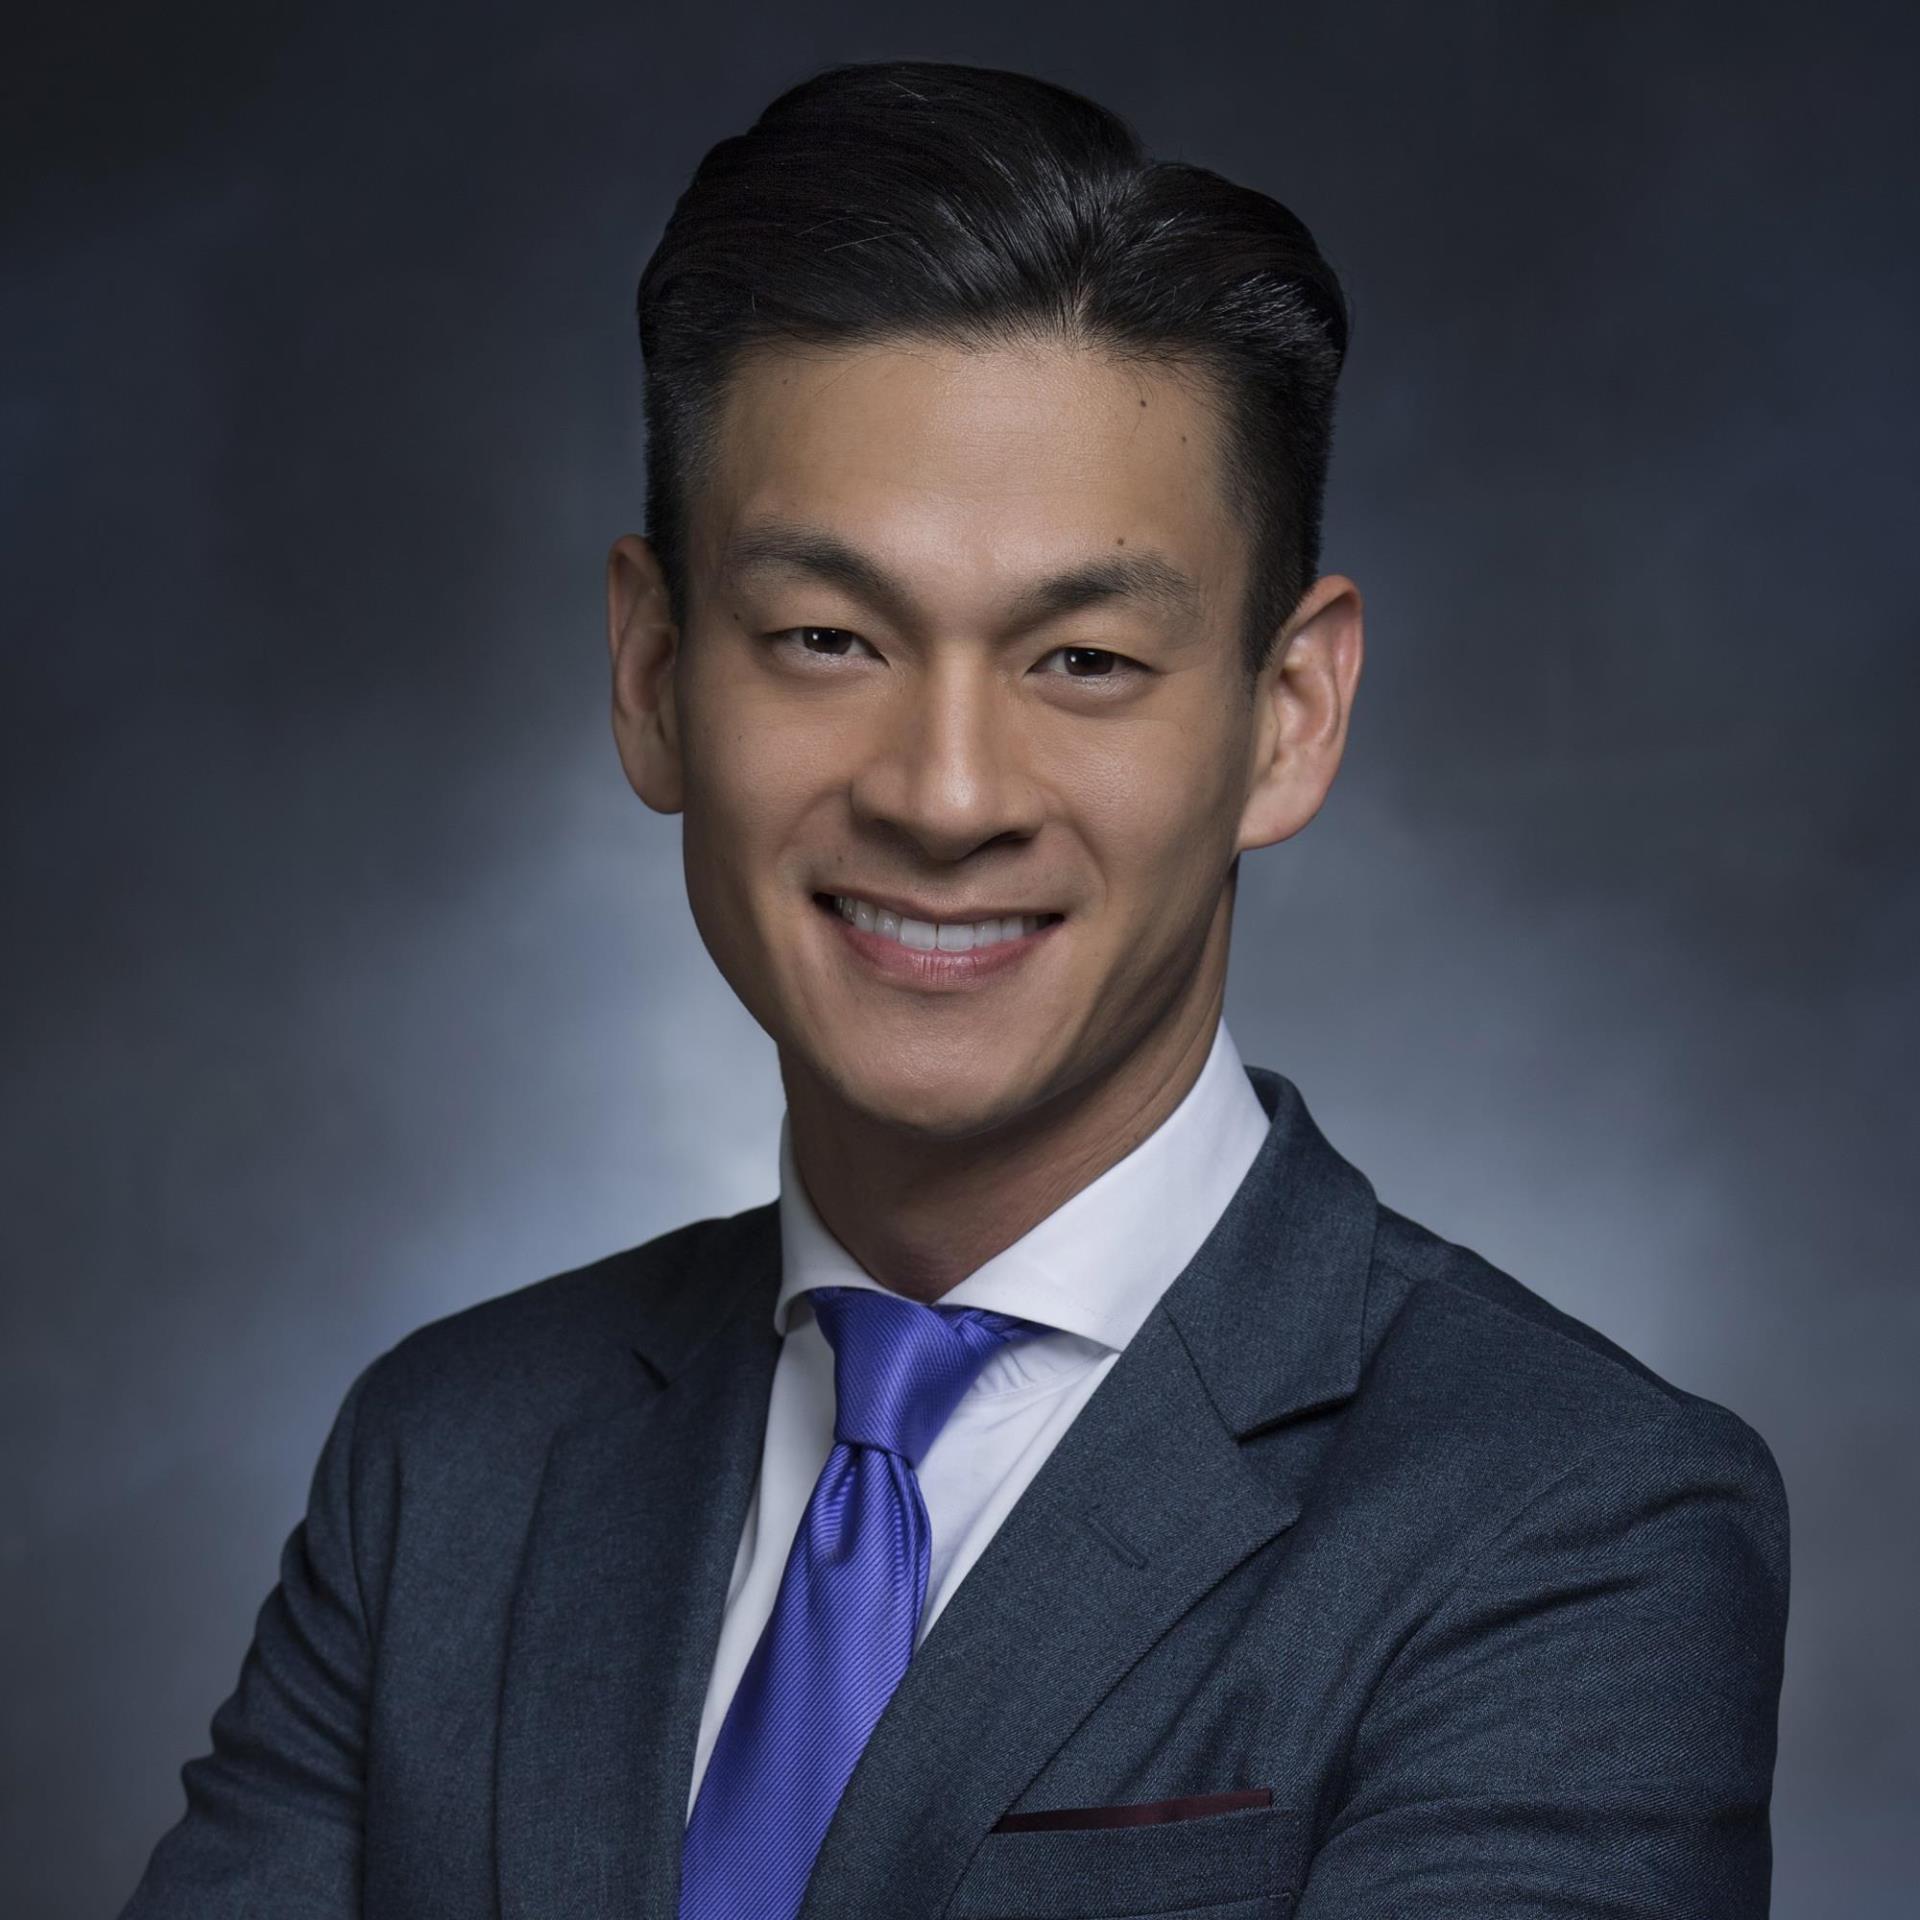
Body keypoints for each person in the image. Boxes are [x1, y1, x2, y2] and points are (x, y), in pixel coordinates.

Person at [119, 58, 1789, 1920]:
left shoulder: (1572, 1521)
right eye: (827, 638)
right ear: (658, 671)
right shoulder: (451, 1462)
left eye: (1081, 659)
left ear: (1287, 717)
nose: (946, 793)